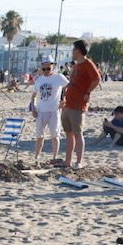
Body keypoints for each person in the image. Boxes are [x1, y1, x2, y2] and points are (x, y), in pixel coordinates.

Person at [62, 40, 101, 169]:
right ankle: (68, 161)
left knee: (77, 133)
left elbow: (97, 79)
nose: (72, 52)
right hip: (68, 103)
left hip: (78, 104)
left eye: (73, 49)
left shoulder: (87, 64)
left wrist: (87, 91)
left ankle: (79, 161)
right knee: (69, 133)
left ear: (78, 50)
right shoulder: (77, 65)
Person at [31, 59, 69, 164]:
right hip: (41, 111)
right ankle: (37, 157)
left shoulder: (59, 77)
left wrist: (64, 99)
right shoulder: (39, 80)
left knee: (55, 135)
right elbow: (34, 95)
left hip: (54, 110)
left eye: (48, 68)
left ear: (53, 66)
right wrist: (33, 108)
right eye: (44, 69)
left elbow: (69, 87)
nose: (46, 71)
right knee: (39, 136)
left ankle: (54, 157)